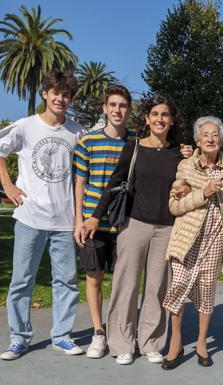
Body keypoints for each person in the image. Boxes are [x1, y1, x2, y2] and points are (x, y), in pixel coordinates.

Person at [0, 69, 86, 360]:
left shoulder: (78, 132)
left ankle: (62, 336)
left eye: (66, 95)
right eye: (56, 93)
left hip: (65, 221)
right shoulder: (26, 126)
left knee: (66, 281)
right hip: (30, 218)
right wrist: (7, 185)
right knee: (21, 281)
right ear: (45, 94)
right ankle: (19, 338)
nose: (61, 99)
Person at [82, 94, 183, 366]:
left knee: (157, 288)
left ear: (172, 121)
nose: (160, 119)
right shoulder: (134, 147)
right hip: (134, 224)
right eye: (155, 114)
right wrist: (94, 217)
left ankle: (151, 342)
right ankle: (121, 343)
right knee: (125, 286)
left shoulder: (179, 153)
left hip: (167, 228)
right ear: (147, 119)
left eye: (165, 115)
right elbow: (114, 183)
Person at [160, 116, 223, 370]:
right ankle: (176, 341)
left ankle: (202, 343)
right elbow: (174, 205)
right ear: (197, 140)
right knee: (179, 283)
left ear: (221, 138)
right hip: (187, 239)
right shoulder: (185, 167)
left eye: (215, 135)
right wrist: (202, 193)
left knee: (206, 290)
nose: (210, 139)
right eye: (205, 135)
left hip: (215, 239)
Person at [72, 85, 134, 359]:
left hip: (125, 223)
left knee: (125, 282)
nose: (117, 110)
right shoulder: (88, 142)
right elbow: (80, 184)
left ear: (129, 111)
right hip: (93, 224)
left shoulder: (136, 142)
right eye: (113, 105)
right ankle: (99, 333)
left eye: (123, 106)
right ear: (105, 108)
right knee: (94, 277)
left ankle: (120, 332)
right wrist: (79, 221)